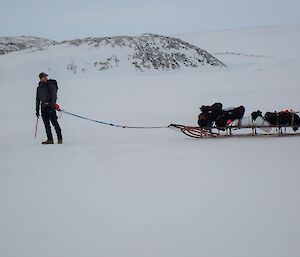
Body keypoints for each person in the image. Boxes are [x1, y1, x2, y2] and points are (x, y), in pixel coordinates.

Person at [36, 72, 63, 144]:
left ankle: (60, 139)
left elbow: (54, 95)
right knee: (47, 125)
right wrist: (37, 110)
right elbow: (38, 99)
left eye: (46, 77)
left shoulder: (50, 85)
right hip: (43, 108)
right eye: (44, 77)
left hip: (50, 107)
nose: (46, 78)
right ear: (40, 78)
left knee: (54, 123)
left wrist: (53, 104)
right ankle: (50, 139)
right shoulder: (39, 88)